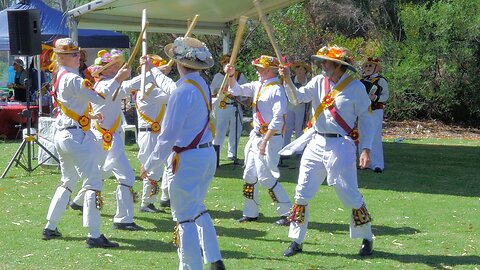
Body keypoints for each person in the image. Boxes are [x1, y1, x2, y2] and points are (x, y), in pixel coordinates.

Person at [278, 45, 375, 257]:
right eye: (321, 61)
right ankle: (296, 240)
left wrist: (366, 149)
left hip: (341, 144)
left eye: (326, 61)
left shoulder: (356, 88)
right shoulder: (317, 82)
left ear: (339, 65)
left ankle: (366, 236)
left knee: (347, 193)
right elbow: (297, 98)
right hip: (316, 141)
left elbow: (367, 121)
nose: (322, 65)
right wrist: (287, 80)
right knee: (302, 191)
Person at [140, 37, 225, 270]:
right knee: (197, 207)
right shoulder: (201, 85)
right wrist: (152, 70)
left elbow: (167, 136)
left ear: (178, 61)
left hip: (188, 158)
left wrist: (150, 165)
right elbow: (171, 87)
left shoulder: (182, 92)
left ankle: (190, 267)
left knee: (183, 217)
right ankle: (215, 259)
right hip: (206, 155)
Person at [41, 38, 119, 248]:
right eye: (74, 54)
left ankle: (50, 226)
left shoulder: (60, 75)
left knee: (67, 181)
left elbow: (72, 105)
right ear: (63, 58)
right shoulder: (74, 79)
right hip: (75, 136)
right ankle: (94, 235)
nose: (79, 57)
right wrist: (116, 79)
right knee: (93, 182)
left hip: (65, 133)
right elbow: (100, 98)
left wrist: (89, 117)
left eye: (78, 53)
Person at [69, 49, 155, 231]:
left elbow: (131, 84)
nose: (117, 67)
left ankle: (78, 201)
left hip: (108, 139)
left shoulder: (113, 85)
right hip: (102, 139)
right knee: (125, 176)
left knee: (100, 174)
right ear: (102, 71)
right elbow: (106, 93)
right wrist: (121, 77)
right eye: (112, 66)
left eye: (116, 66)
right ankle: (123, 220)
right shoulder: (100, 86)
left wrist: (150, 71)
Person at [224, 55, 292, 226]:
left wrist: (264, 141)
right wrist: (231, 75)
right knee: (249, 174)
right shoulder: (258, 85)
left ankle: (287, 213)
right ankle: (250, 212)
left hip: (271, 138)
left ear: (268, 70)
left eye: (259, 68)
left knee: (266, 177)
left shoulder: (277, 90)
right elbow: (236, 90)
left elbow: (278, 119)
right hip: (256, 136)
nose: (256, 70)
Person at [135, 55, 176, 213]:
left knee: (157, 169)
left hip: (154, 134)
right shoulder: (147, 90)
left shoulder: (152, 88)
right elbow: (173, 93)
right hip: (149, 135)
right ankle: (146, 203)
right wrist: (158, 73)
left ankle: (150, 201)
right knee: (151, 169)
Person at [210, 54, 247, 164]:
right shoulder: (218, 76)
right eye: (225, 63)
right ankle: (216, 153)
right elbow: (212, 91)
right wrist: (221, 89)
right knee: (220, 130)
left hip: (235, 105)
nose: (227, 65)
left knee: (236, 130)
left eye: (230, 63)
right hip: (223, 105)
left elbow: (244, 91)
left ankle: (232, 153)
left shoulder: (239, 76)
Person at [360, 57, 389, 173]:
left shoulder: (381, 80)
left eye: (370, 66)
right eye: (366, 66)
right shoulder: (361, 81)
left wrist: (376, 98)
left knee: (375, 136)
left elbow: (386, 96)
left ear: (376, 68)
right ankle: (364, 162)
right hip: (363, 111)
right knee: (362, 134)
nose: (368, 68)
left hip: (376, 110)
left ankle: (377, 164)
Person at [283, 60, 311, 157]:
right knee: (288, 127)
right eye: (297, 68)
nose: (299, 70)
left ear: (305, 71)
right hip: (290, 106)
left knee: (300, 128)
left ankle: (299, 151)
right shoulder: (290, 80)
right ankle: (285, 149)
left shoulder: (309, 82)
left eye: (301, 69)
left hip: (302, 106)